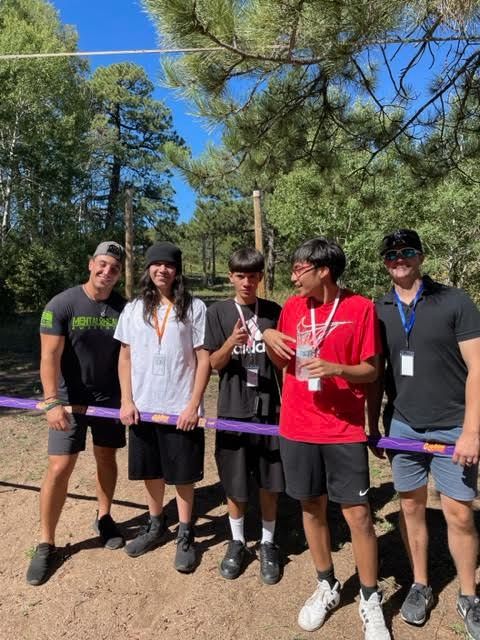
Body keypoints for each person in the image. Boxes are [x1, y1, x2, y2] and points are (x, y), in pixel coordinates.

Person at [263, 237, 390, 640]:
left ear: (324, 271)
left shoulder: (361, 308)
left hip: (343, 430)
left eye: (300, 269)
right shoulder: (292, 308)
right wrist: (268, 339)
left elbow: (371, 372)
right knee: (311, 507)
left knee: (358, 515)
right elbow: (282, 361)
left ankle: (370, 598)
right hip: (298, 426)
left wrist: (337, 367)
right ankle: (327, 585)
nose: (293, 276)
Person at [368, 229, 480, 638]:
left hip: (454, 425)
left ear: (421, 256)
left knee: (459, 514)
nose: (400, 259)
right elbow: (374, 373)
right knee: (411, 508)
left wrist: (472, 431)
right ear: (385, 261)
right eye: (392, 254)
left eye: (408, 251)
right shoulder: (377, 308)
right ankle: (420, 584)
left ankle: (469, 595)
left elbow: (478, 369)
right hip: (402, 424)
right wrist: (370, 423)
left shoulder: (455, 300)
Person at [26, 241, 127, 586]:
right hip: (68, 401)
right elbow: (48, 357)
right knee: (60, 466)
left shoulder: (123, 307)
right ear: (90, 264)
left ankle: (104, 517)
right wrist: (52, 401)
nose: (107, 272)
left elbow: (129, 357)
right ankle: (45, 542)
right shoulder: (62, 304)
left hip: (109, 400)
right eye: (102, 264)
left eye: (114, 268)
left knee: (106, 457)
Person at [115, 241, 210, 573]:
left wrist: (193, 404)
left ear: (177, 270)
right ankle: (156, 524)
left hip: (179, 408)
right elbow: (125, 357)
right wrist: (126, 400)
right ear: (148, 268)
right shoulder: (133, 309)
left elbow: (203, 358)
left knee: (183, 474)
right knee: (151, 470)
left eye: (168, 265)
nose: (162, 270)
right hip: (142, 406)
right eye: (156, 264)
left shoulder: (194, 308)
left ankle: (186, 532)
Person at [204, 248, 284, 585]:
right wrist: (231, 344)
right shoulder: (218, 313)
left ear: (260, 277)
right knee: (235, 482)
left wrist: (271, 346)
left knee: (270, 481)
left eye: (253, 276)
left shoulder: (274, 311)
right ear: (231, 276)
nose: (247, 282)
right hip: (233, 409)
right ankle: (236, 541)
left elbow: (284, 364)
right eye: (240, 276)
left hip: (270, 411)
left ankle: (267, 543)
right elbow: (211, 364)